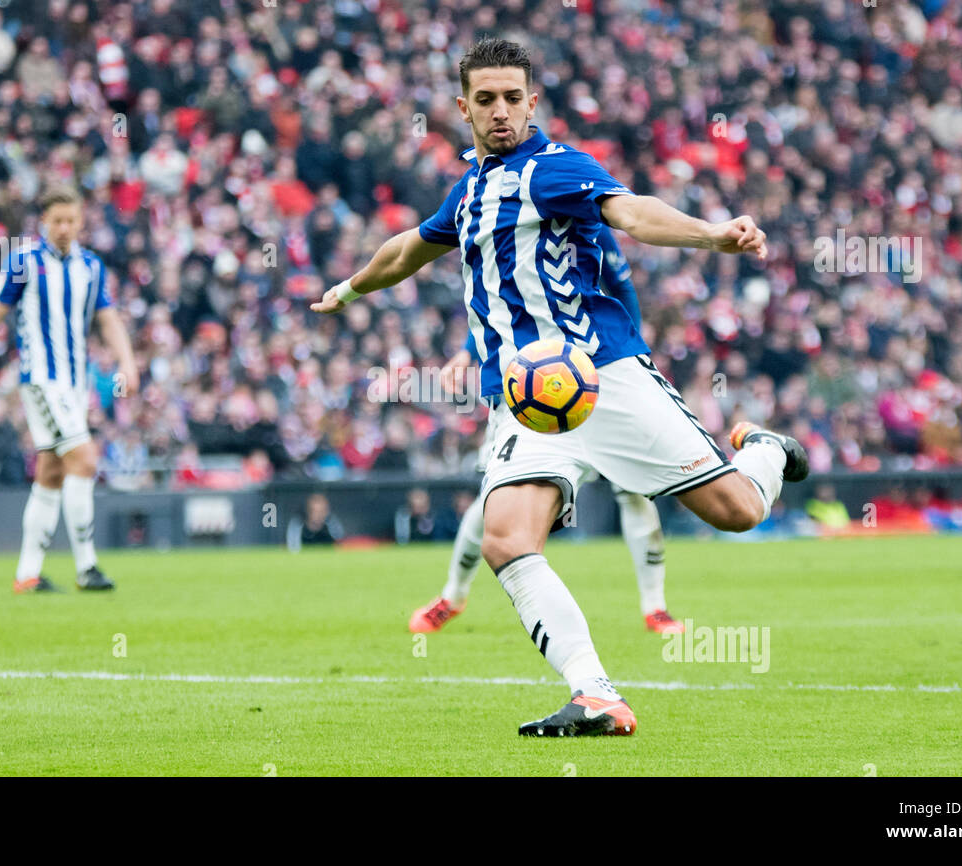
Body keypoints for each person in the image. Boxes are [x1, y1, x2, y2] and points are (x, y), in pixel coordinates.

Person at [312, 39, 807, 737]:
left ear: (532, 102)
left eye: (513, 97)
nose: (501, 111)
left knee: (738, 510)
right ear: (463, 108)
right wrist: (349, 287)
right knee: (507, 540)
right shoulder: (469, 193)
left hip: (602, 376)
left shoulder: (555, 169)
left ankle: (765, 449)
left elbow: (632, 212)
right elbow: (404, 251)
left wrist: (711, 236)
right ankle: (597, 696)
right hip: (526, 398)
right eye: (486, 99)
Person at [409, 228, 684, 637]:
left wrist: (634, 357)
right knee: (494, 498)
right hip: (530, 390)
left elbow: (622, 292)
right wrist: (466, 353)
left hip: (596, 383)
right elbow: (494, 303)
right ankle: (452, 596)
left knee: (633, 492)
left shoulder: (589, 221)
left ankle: (655, 608)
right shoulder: (510, 222)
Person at [0, 186, 139, 593]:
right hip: (41, 378)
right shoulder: (24, 261)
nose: (64, 228)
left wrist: (127, 362)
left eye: (71, 220)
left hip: (75, 382)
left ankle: (27, 574)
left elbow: (107, 319)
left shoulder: (91, 266)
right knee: (86, 458)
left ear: (80, 221)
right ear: (43, 222)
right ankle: (87, 567)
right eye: (57, 220)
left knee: (52, 472)